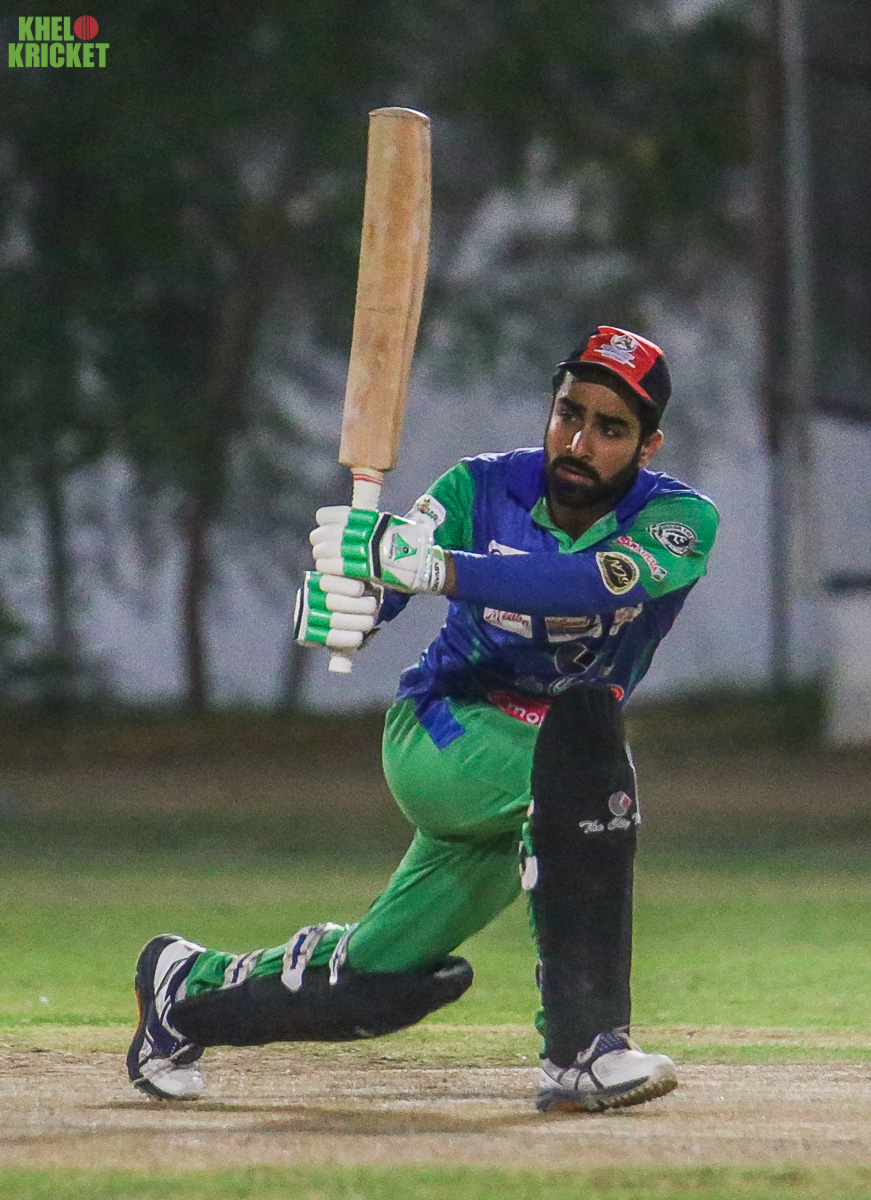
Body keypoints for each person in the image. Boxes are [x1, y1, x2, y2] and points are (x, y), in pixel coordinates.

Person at [127, 325, 719, 1113]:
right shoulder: (478, 487)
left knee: (370, 978)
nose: (578, 443)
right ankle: (583, 1048)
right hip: (443, 729)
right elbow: (395, 567)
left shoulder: (679, 520)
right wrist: (352, 598)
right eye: (567, 414)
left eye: (609, 428)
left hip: (534, 785)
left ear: (647, 446)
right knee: (587, 766)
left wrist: (440, 569)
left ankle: (181, 991)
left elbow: (589, 582)